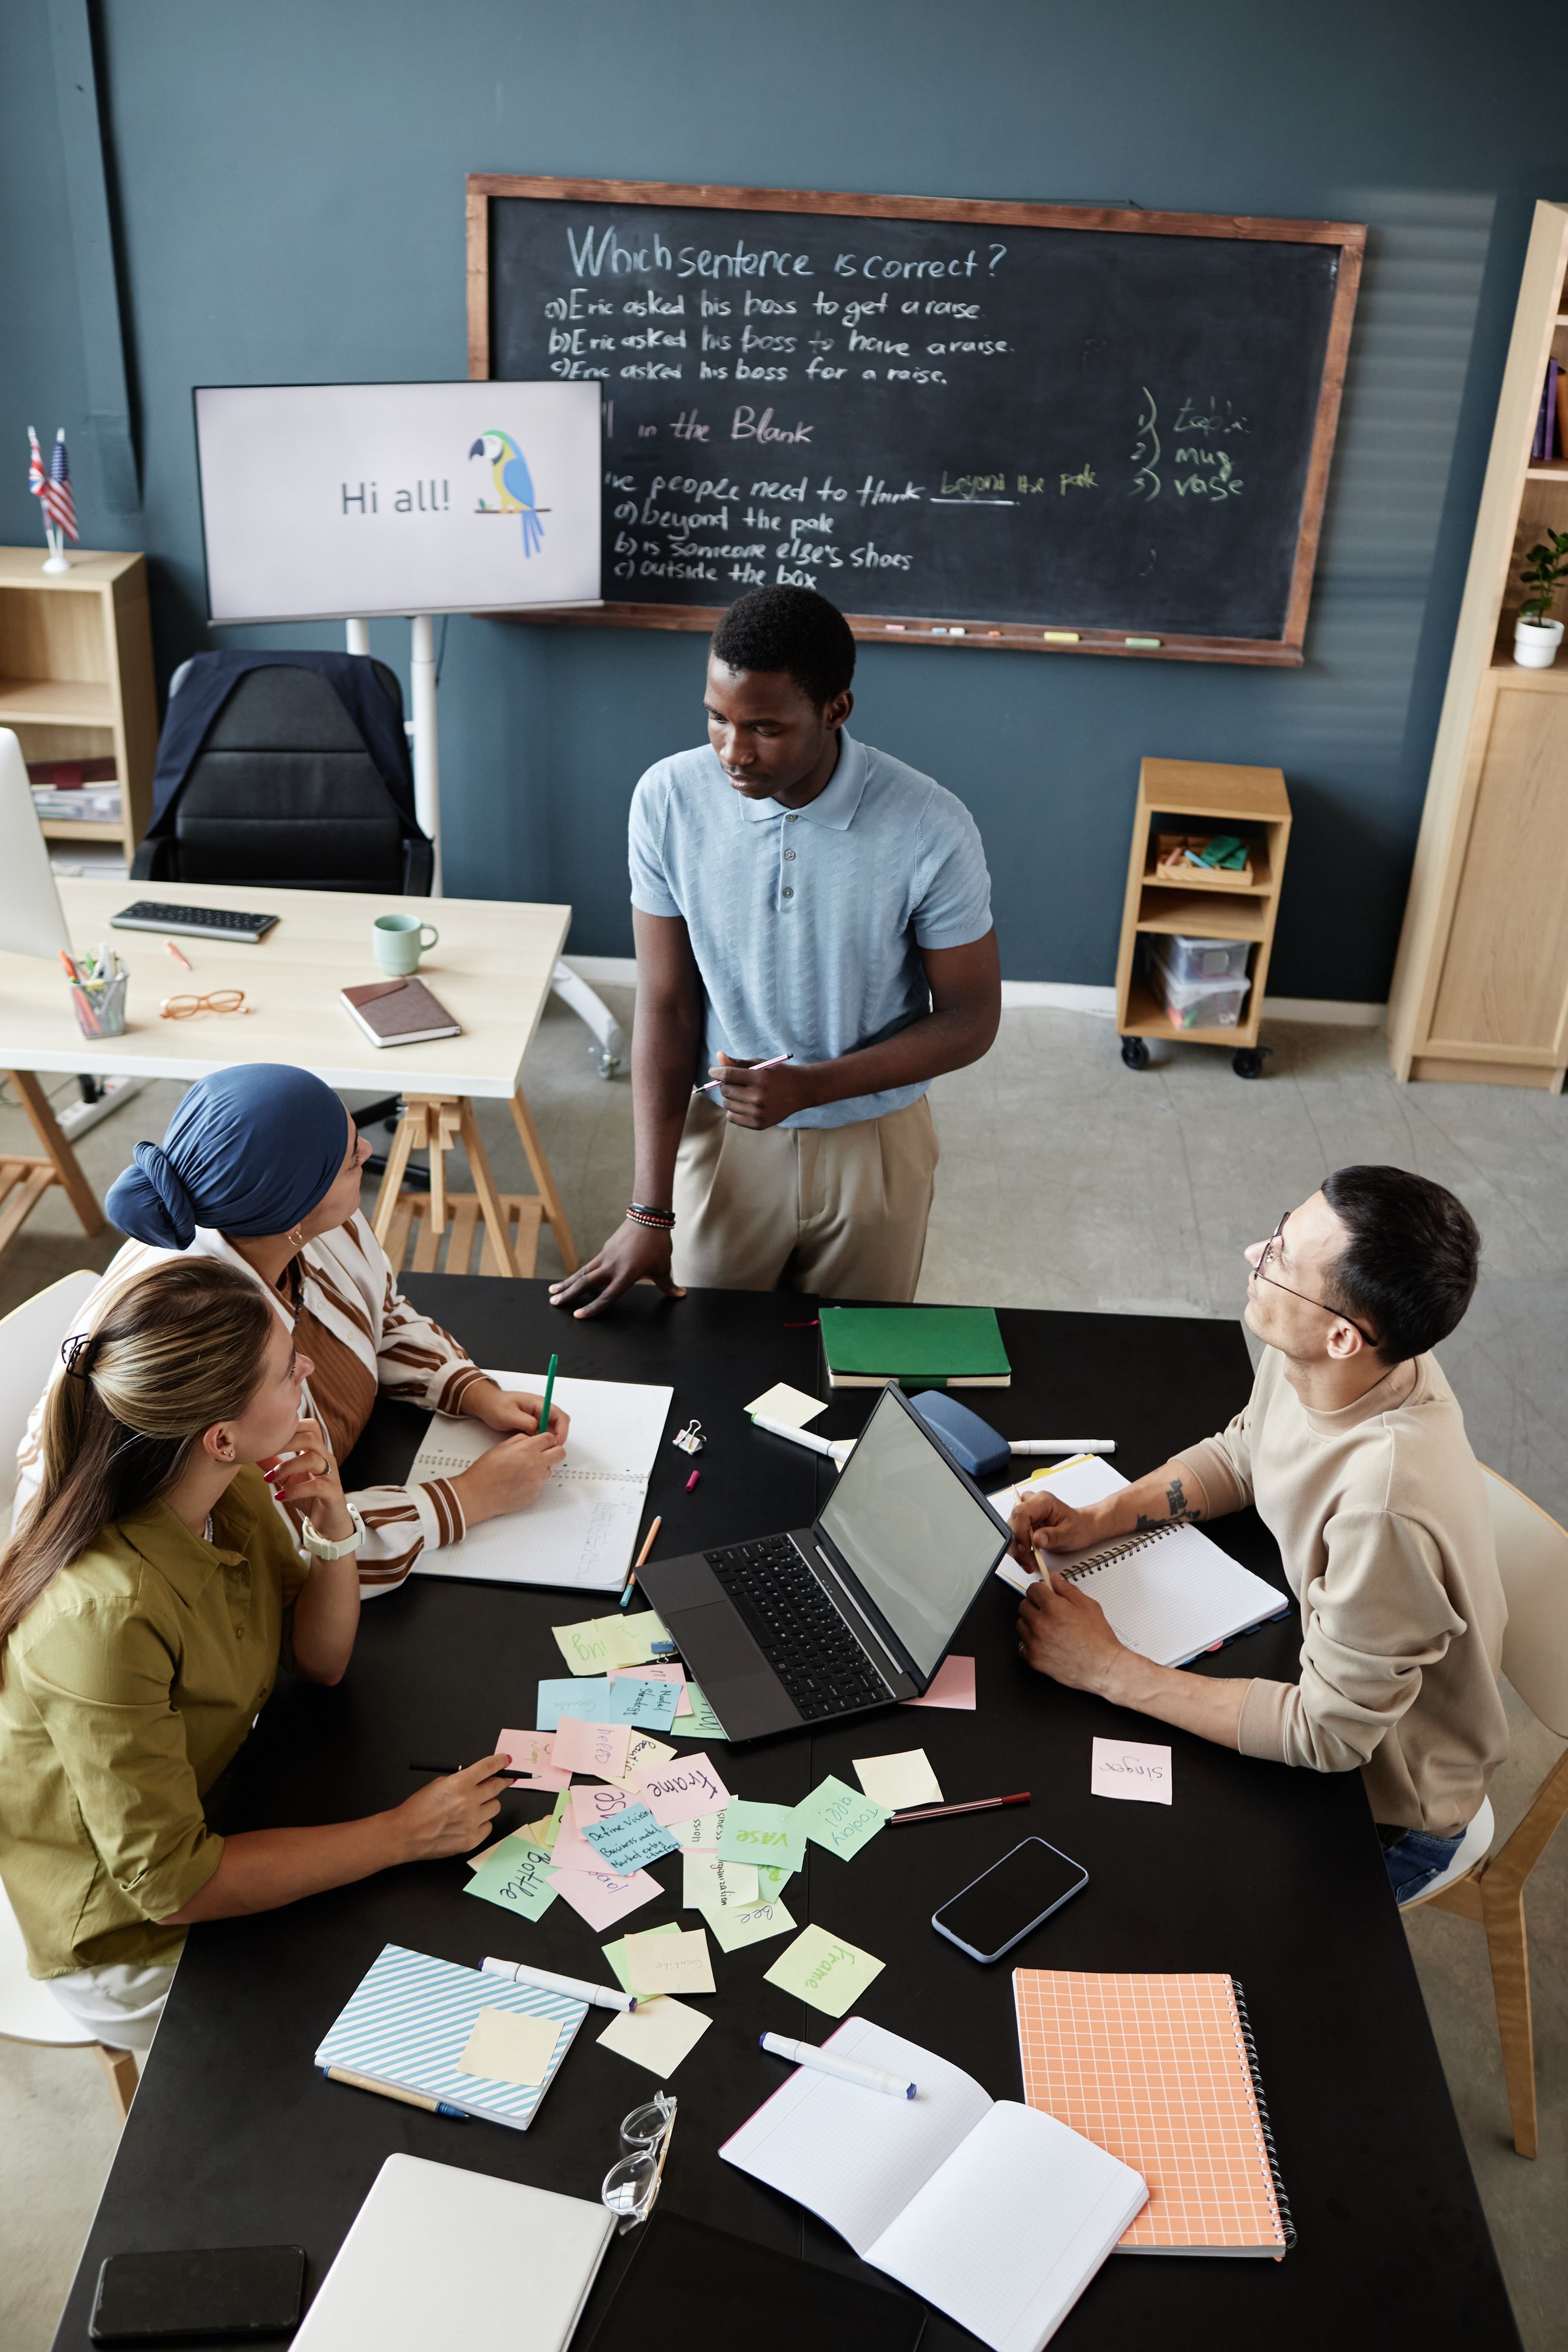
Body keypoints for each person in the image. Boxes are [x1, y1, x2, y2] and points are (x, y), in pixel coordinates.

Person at [0, 1259, 510, 2051]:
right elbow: (171, 1888)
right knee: (421, 2005)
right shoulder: (102, 1620)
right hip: (129, 1934)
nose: (308, 1368)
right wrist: (398, 1835)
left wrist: (333, 1523)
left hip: (237, 1790)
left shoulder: (220, 1483)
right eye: (286, 1369)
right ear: (221, 1432)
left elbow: (322, 1658)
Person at [1009, 1167, 1509, 1906]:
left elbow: (1328, 1737)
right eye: (1279, 1232)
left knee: (1154, 1899)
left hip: (1384, 1816)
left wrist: (1109, 1668)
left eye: (1278, 1258)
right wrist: (1101, 1518)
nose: (1253, 1254)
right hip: (1321, 1676)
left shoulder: (1384, 1506)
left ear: (1344, 1335)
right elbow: (1248, 1452)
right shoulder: (1337, 1353)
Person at [549, 585, 1000, 1314]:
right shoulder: (666, 799)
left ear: (835, 710)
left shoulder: (930, 825)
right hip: (727, 1137)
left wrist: (813, 1087)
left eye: (764, 727)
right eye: (716, 719)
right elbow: (666, 1005)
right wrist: (648, 1211)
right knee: (708, 1365)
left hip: (876, 1142)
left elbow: (972, 1019)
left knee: (858, 1368)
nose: (733, 751)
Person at [17, 1064, 567, 1593]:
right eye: (351, 1160)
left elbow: (382, 1311)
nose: (369, 1153)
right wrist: (467, 1497)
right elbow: (283, 1556)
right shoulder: (211, 1338)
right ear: (296, 1206)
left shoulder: (300, 1223)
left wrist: (470, 1390)